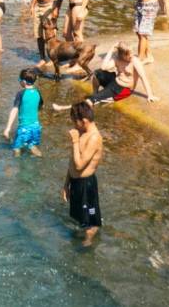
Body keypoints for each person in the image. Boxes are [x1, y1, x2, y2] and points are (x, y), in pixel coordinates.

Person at [63, 100, 104, 241]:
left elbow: (80, 165)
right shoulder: (82, 131)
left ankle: (89, 243)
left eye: (76, 122)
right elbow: (72, 161)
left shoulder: (94, 138)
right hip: (75, 183)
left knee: (91, 224)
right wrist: (66, 184)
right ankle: (79, 239)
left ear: (84, 121)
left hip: (86, 185)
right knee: (78, 219)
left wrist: (75, 141)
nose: (74, 125)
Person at [3, 68, 43, 156]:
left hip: (24, 128)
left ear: (24, 82)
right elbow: (40, 107)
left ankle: (16, 166)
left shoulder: (21, 94)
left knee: (16, 148)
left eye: (19, 80)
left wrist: (8, 128)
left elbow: (14, 110)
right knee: (32, 146)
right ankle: (40, 156)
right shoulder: (38, 93)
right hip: (36, 127)